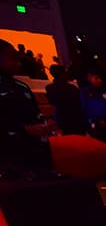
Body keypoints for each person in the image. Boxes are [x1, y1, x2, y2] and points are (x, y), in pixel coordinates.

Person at [0, 39, 53, 174]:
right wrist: (23, 130)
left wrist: (45, 125)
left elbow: (34, 114)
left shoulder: (22, 87)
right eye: (12, 58)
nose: (18, 63)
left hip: (35, 157)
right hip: (8, 161)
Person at [81, 68, 106, 158]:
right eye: (96, 78)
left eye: (100, 78)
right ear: (89, 78)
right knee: (96, 144)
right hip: (93, 122)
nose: (99, 80)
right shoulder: (85, 92)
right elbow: (85, 108)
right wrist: (93, 120)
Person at [45, 64, 87, 135]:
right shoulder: (73, 88)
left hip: (62, 120)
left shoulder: (50, 88)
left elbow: (52, 104)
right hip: (75, 120)